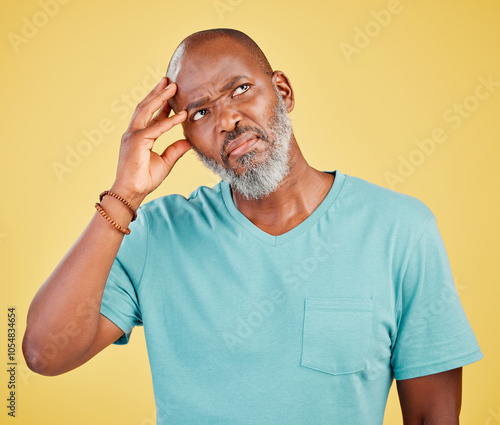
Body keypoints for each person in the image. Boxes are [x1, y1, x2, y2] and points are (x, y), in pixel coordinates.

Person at [23, 28, 483, 424]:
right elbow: (44, 353)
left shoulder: (399, 229)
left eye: (240, 89)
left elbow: (432, 415)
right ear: (186, 137)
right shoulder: (156, 235)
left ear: (282, 90)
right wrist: (125, 194)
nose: (227, 120)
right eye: (200, 112)